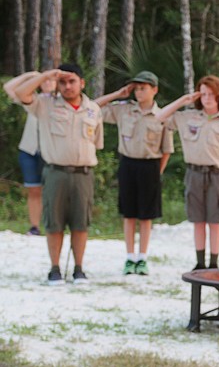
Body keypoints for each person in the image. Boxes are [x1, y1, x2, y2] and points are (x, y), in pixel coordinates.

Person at [13, 65, 103, 285]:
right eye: (63, 82)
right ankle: (54, 268)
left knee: (81, 223)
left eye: (72, 81)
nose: (67, 86)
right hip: (56, 172)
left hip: (83, 173)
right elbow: (20, 93)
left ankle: (79, 269)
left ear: (82, 83)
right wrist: (45, 76)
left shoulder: (93, 109)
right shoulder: (45, 104)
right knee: (54, 222)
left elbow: (96, 142)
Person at [94, 71, 174, 276]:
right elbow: (93, 109)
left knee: (146, 216)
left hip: (150, 166)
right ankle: (129, 257)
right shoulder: (124, 110)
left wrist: (158, 172)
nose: (139, 92)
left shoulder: (162, 115)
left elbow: (166, 150)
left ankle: (142, 258)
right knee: (129, 214)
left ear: (154, 90)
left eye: (143, 88)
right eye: (136, 88)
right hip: (128, 164)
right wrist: (117, 94)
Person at [156, 75, 219, 270]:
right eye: (203, 94)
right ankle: (200, 262)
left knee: (215, 221)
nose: (207, 98)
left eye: (211, 94)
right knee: (198, 220)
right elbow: (159, 117)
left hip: (216, 175)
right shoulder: (188, 117)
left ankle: (213, 262)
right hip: (194, 173)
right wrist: (183, 101)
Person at [3, 71, 56, 236]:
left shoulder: (61, 102)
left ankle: (53, 225)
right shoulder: (32, 99)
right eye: (44, 81)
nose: (47, 83)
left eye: (50, 80)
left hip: (51, 151)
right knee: (34, 189)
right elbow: (8, 87)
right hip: (30, 150)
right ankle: (34, 226)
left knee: (53, 189)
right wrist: (31, 75)